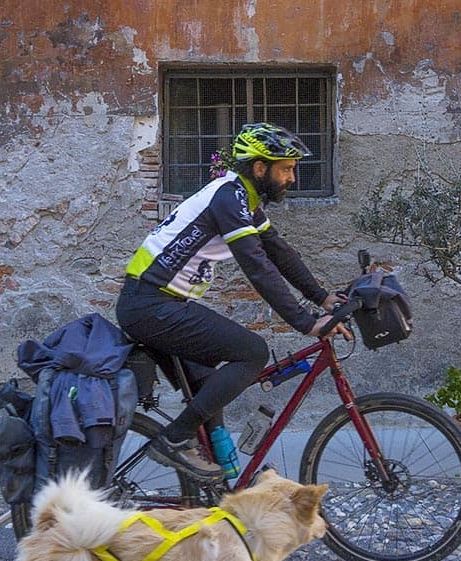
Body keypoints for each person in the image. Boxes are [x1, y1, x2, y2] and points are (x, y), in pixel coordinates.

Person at [116, 122, 349, 482]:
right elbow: (256, 265)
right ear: (259, 168)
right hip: (151, 305)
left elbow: (279, 252)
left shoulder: (240, 199)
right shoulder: (229, 198)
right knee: (253, 352)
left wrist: (322, 296)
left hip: (161, 304)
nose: (292, 178)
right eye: (285, 169)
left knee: (209, 386)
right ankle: (174, 440)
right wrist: (306, 321)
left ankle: (223, 482)